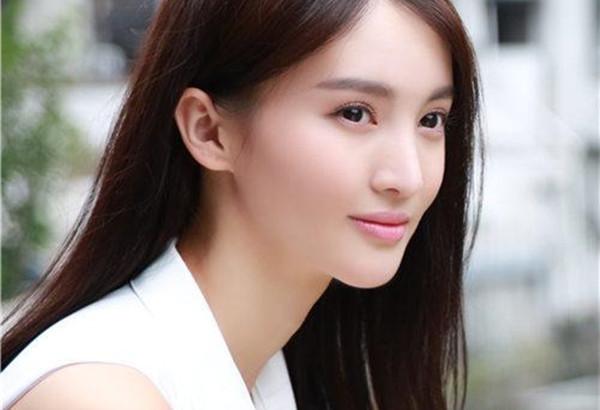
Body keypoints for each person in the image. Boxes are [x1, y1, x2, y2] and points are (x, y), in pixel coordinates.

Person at [1, 0, 483, 408]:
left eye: (431, 120)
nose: (408, 177)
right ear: (209, 131)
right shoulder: (99, 393)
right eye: (354, 113)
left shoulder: (273, 370)